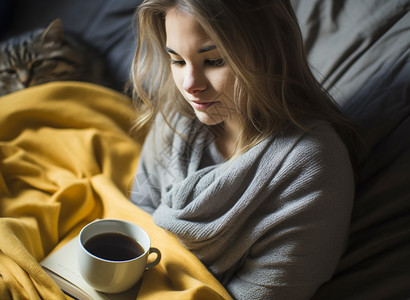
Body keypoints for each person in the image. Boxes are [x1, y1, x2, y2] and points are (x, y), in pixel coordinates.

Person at [129, 0, 360, 299]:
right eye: (177, 60)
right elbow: (135, 217)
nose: (190, 85)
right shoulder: (177, 116)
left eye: (214, 61)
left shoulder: (312, 167)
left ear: (271, 52)